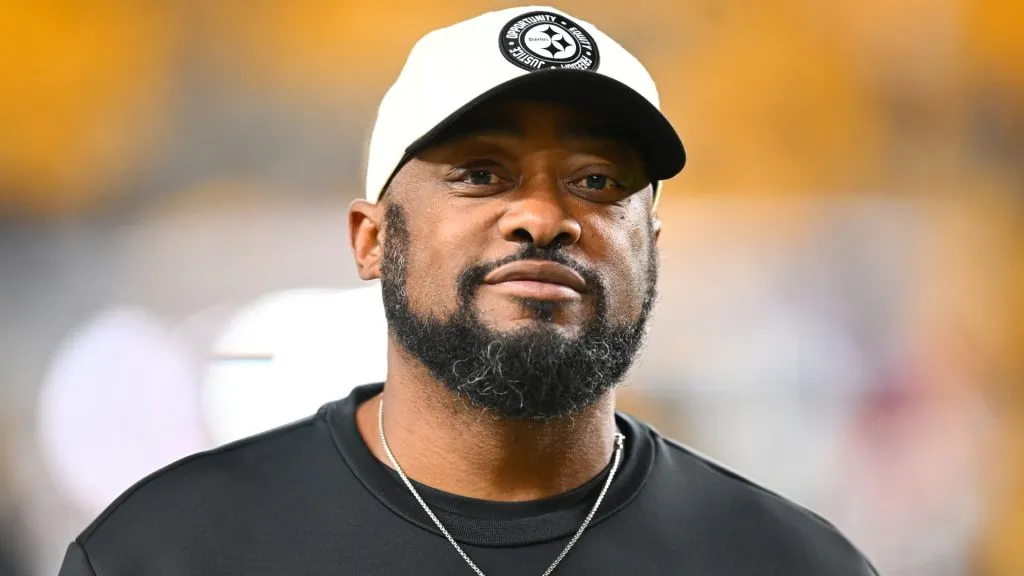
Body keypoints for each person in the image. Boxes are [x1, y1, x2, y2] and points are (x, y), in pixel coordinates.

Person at [58, 6, 877, 575]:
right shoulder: (166, 554)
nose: (543, 217)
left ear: (651, 250)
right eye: (481, 174)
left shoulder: (792, 563)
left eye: (596, 181)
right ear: (372, 239)